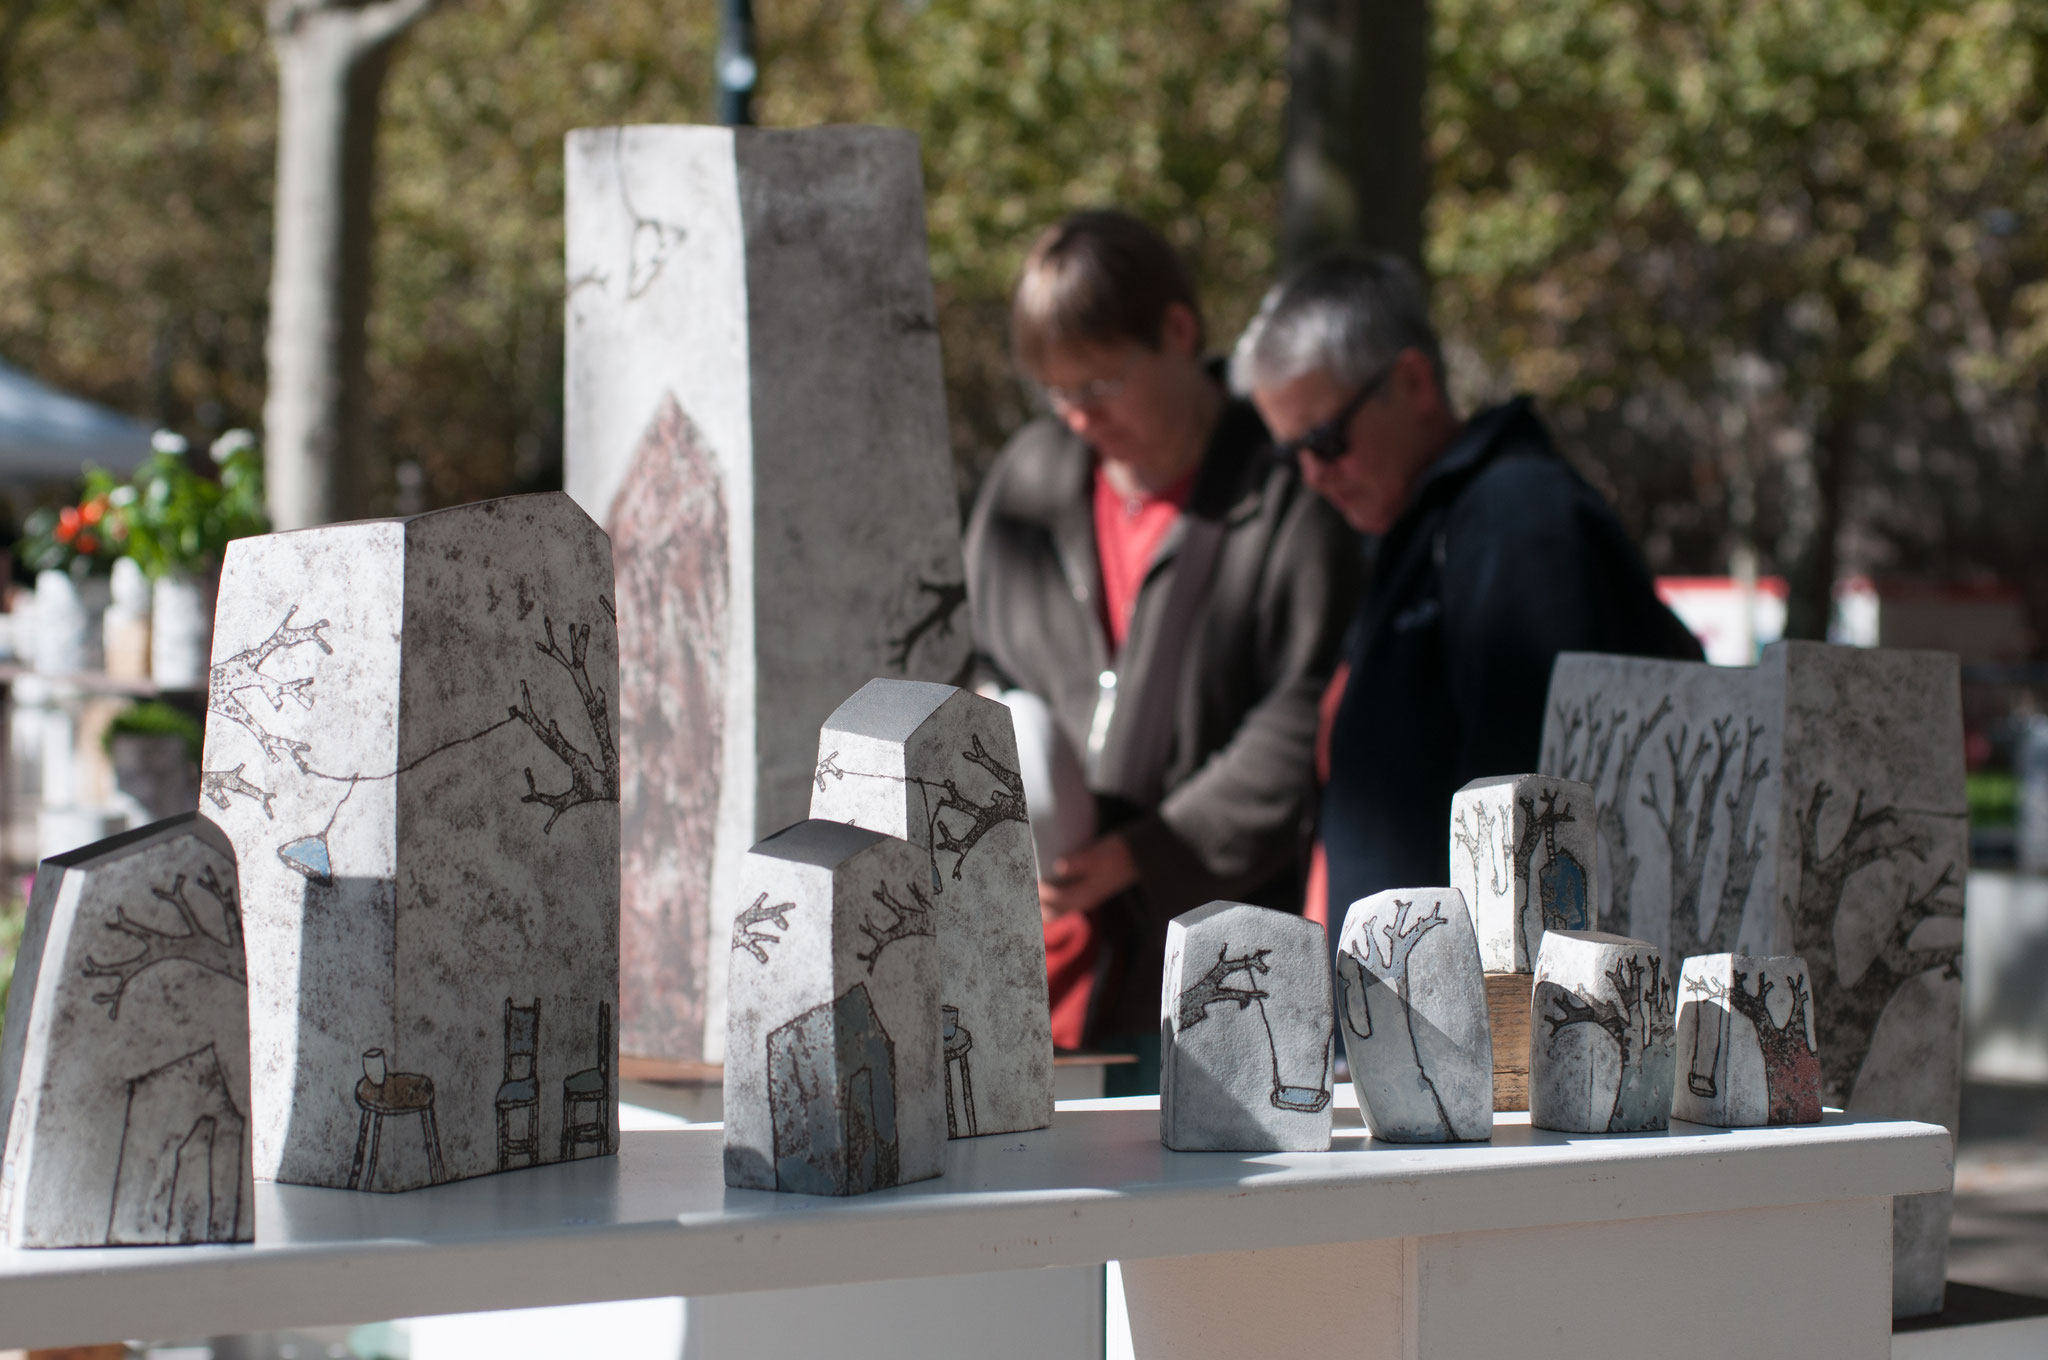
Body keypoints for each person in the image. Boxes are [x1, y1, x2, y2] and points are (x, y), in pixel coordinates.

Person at [964, 211, 1360, 1069]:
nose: (1078, 418)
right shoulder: (1029, 484)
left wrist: (1146, 853)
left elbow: (1305, 711)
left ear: (1178, 332)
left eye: (1100, 384)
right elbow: (977, 659)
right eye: (1058, 393)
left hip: (1222, 967)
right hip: (1039, 967)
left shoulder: (1287, 491)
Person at [1231, 253, 1702, 924]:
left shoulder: (1515, 516)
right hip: (1415, 1001)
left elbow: (1539, 810)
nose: (1312, 474)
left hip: (1493, 1010)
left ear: (1414, 382)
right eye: (1290, 455)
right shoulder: (1418, 533)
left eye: (1325, 440)